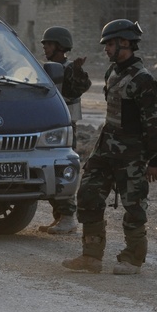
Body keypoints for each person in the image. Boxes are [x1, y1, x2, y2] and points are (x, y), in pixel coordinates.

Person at [62, 20, 157, 275]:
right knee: (88, 196)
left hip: (131, 152)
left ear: (126, 43)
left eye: (110, 43)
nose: (106, 49)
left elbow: (153, 121)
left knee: (134, 205)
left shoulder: (143, 80)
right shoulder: (113, 73)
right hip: (105, 147)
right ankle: (91, 257)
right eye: (106, 44)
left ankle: (132, 259)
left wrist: (154, 158)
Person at [38, 26, 91, 235]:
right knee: (49, 171)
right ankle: (60, 216)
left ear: (59, 46)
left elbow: (80, 87)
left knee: (61, 171)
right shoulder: (47, 68)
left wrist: (78, 72)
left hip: (66, 127)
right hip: (50, 126)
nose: (45, 48)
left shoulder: (70, 68)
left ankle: (68, 217)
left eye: (48, 44)